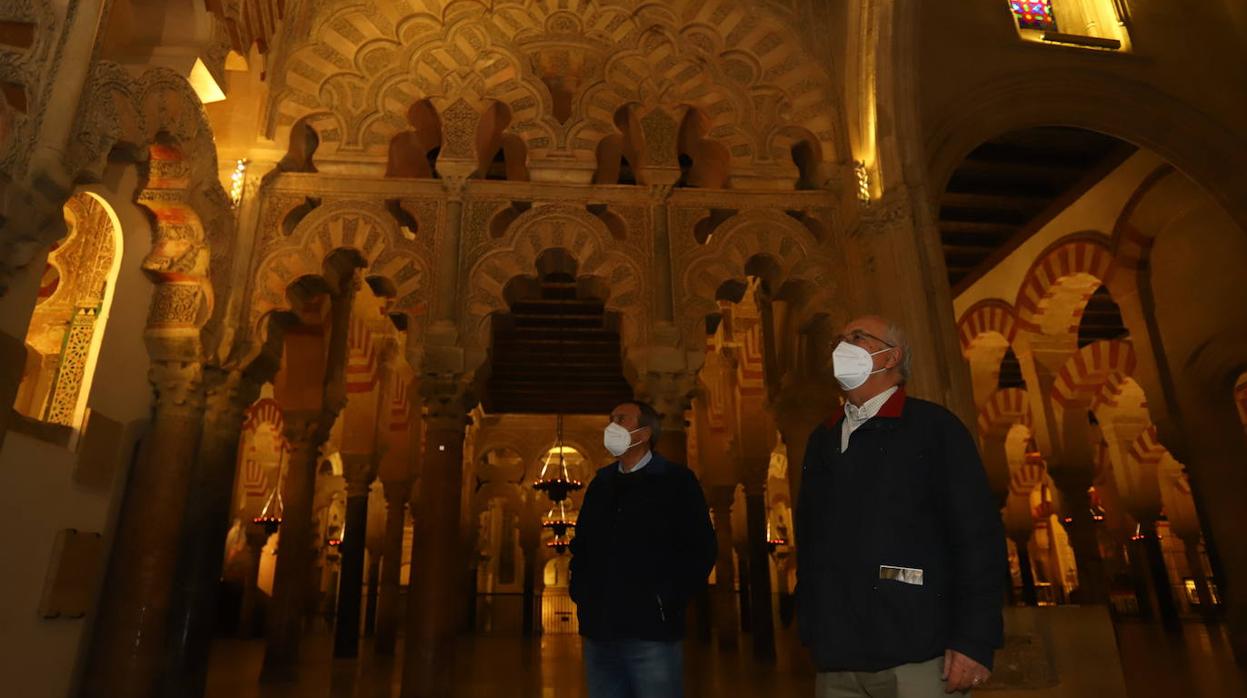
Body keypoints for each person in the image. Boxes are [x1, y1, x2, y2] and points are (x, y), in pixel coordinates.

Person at [795, 316, 1006, 697]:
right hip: (836, 659)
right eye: (839, 340)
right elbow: (809, 540)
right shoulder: (822, 439)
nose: (844, 347)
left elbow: (977, 538)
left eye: (857, 337)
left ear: (891, 357)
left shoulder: (933, 428)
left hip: (918, 655)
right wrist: (811, 627)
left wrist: (975, 639)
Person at [569, 400, 717, 698]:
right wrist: (582, 594)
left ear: (645, 432)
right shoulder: (601, 484)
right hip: (599, 631)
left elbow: (701, 548)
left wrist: (667, 599)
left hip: (651, 633)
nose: (612, 426)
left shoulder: (676, 482)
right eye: (611, 418)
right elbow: (582, 545)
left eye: (621, 419)